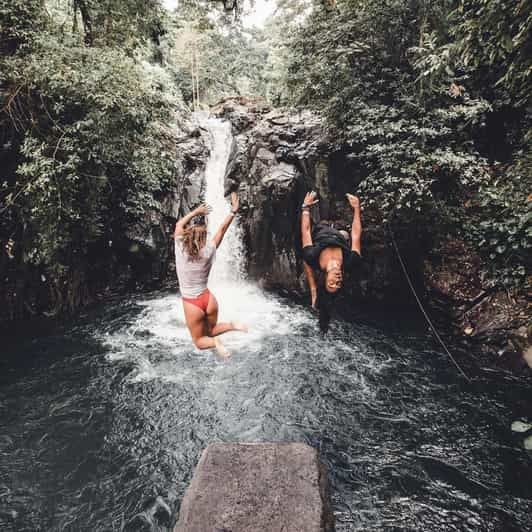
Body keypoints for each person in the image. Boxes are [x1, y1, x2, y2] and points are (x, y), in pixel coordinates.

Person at [174, 192, 247, 358]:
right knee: (212, 329)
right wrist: (233, 211)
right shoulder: (209, 250)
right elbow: (222, 230)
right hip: (209, 300)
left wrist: (195, 212)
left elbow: (179, 224)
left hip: (192, 302)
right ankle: (232, 325)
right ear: (203, 238)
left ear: (187, 235)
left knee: (200, 342)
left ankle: (216, 343)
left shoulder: (180, 247)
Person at [300, 191, 362, 331]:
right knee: (346, 234)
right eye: (338, 284)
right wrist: (357, 208)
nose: (337, 280)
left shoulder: (313, 256)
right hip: (342, 226)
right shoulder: (351, 261)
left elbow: (306, 230)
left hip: (320, 224)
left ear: (325, 279)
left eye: (331, 283)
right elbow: (356, 235)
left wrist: (305, 207)